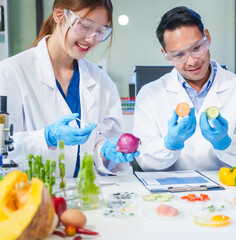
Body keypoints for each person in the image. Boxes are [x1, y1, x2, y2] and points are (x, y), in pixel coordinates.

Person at [0, 0, 138, 177]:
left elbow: (102, 144)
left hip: (88, 197)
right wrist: (46, 137)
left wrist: (105, 151)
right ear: (59, 14)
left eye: (100, 31)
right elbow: (3, 148)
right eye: (84, 26)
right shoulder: (10, 73)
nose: (91, 39)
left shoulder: (102, 83)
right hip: (32, 196)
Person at [133, 6, 236, 171]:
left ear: (207, 37)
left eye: (196, 48)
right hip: (172, 190)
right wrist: (170, 144)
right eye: (178, 55)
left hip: (226, 189)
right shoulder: (149, 94)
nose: (191, 61)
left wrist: (225, 143)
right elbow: (144, 160)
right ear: (166, 54)